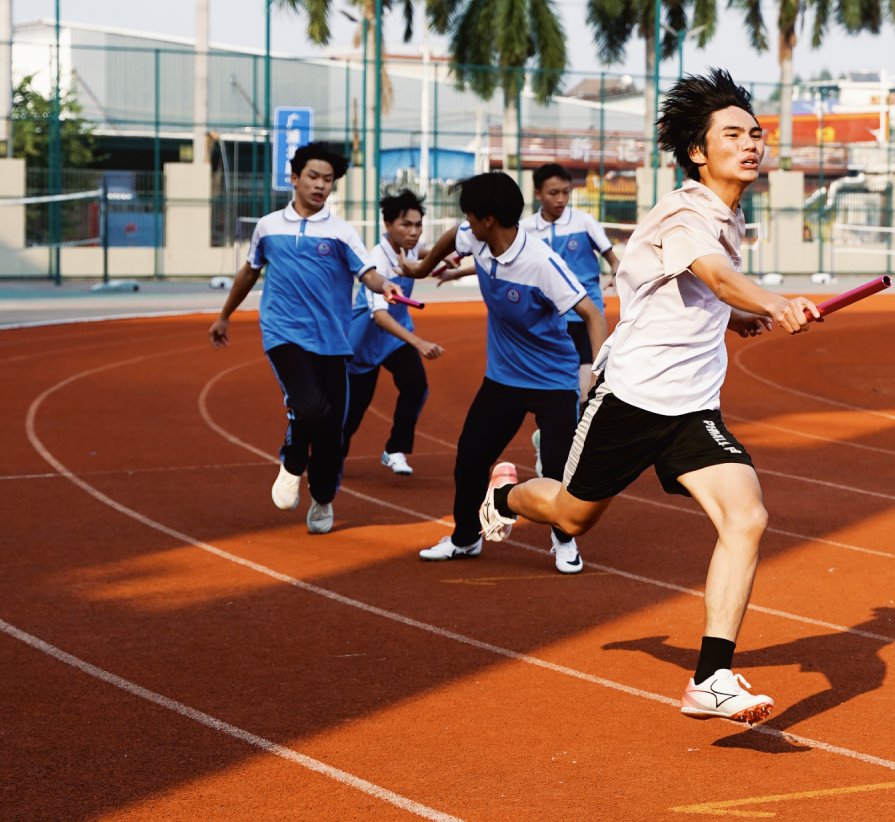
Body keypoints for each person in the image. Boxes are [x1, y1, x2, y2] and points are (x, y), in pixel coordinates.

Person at [466, 69, 819, 726]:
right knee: (573, 517)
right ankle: (505, 494)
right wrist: (769, 300)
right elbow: (712, 273)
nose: (752, 143)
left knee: (747, 518)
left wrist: (737, 316)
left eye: (756, 133)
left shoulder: (726, 214)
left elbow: (697, 290)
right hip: (630, 401)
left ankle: (711, 677)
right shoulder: (687, 212)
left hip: (691, 409)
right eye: (733, 134)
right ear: (697, 151)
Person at [406, 171, 607, 572]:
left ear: (488, 220)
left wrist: (601, 375)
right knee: (469, 459)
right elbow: (452, 236)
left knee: (556, 468)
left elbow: (592, 314)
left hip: (552, 380)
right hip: (502, 378)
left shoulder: (541, 263)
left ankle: (563, 540)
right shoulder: (476, 238)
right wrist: (421, 267)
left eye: (469, 215)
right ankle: (465, 539)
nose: (465, 222)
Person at [208, 142, 404, 534]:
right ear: (294, 178)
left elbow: (367, 271)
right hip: (283, 332)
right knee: (308, 406)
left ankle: (323, 498)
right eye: (313, 177)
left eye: (328, 180)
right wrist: (225, 315)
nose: (320, 185)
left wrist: (385, 286)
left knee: (332, 430)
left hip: (332, 339)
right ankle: (292, 462)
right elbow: (250, 271)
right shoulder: (268, 227)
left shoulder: (340, 232)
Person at [342, 189, 445, 476]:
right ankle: (330, 458)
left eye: (418, 225)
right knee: (353, 411)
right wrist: (419, 342)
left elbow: (422, 252)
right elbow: (379, 316)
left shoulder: (408, 245)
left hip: (395, 338)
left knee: (415, 385)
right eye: (406, 225)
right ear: (388, 226)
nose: (413, 232)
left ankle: (395, 449)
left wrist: (439, 260)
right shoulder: (378, 258)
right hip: (364, 341)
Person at [523, 162, 620, 400]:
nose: (561, 199)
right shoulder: (526, 230)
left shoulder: (584, 221)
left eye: (566, 192)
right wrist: (457, 272)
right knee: (554, 386)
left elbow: (613, 259)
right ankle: (559, 432)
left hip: (585, 313)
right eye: (553, 193)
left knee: (587, 388)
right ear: (538, 194)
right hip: (549, 317)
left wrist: (617, 272)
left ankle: (579, 432)